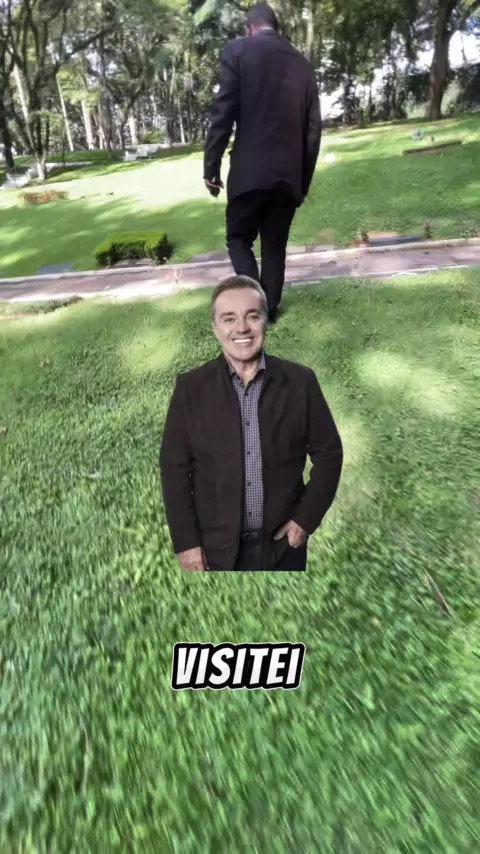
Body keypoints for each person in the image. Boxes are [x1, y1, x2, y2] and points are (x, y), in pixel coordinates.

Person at [159, 275, 343, 572]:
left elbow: (329, 454)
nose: (242, 328)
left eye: (252, 316)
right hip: (213, 551)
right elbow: (174, 469)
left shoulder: (300, 382)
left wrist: (305, 519)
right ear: (215, 327)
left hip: (282, 547)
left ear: (266, 321)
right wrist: (186, 542)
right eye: (229, 318)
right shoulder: (190, 389)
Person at [203, 2, 322, 324]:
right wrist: (302, 183)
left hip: (249, 172)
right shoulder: (303, 65)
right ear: (276, 28)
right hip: (288, 177)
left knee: (238, 238)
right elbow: (313, 131)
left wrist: (211, 167)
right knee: (274, 245)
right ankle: (268, 309)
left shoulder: (238, 50)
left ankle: (256, 305)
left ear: (248, 29)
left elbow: (223, 112)